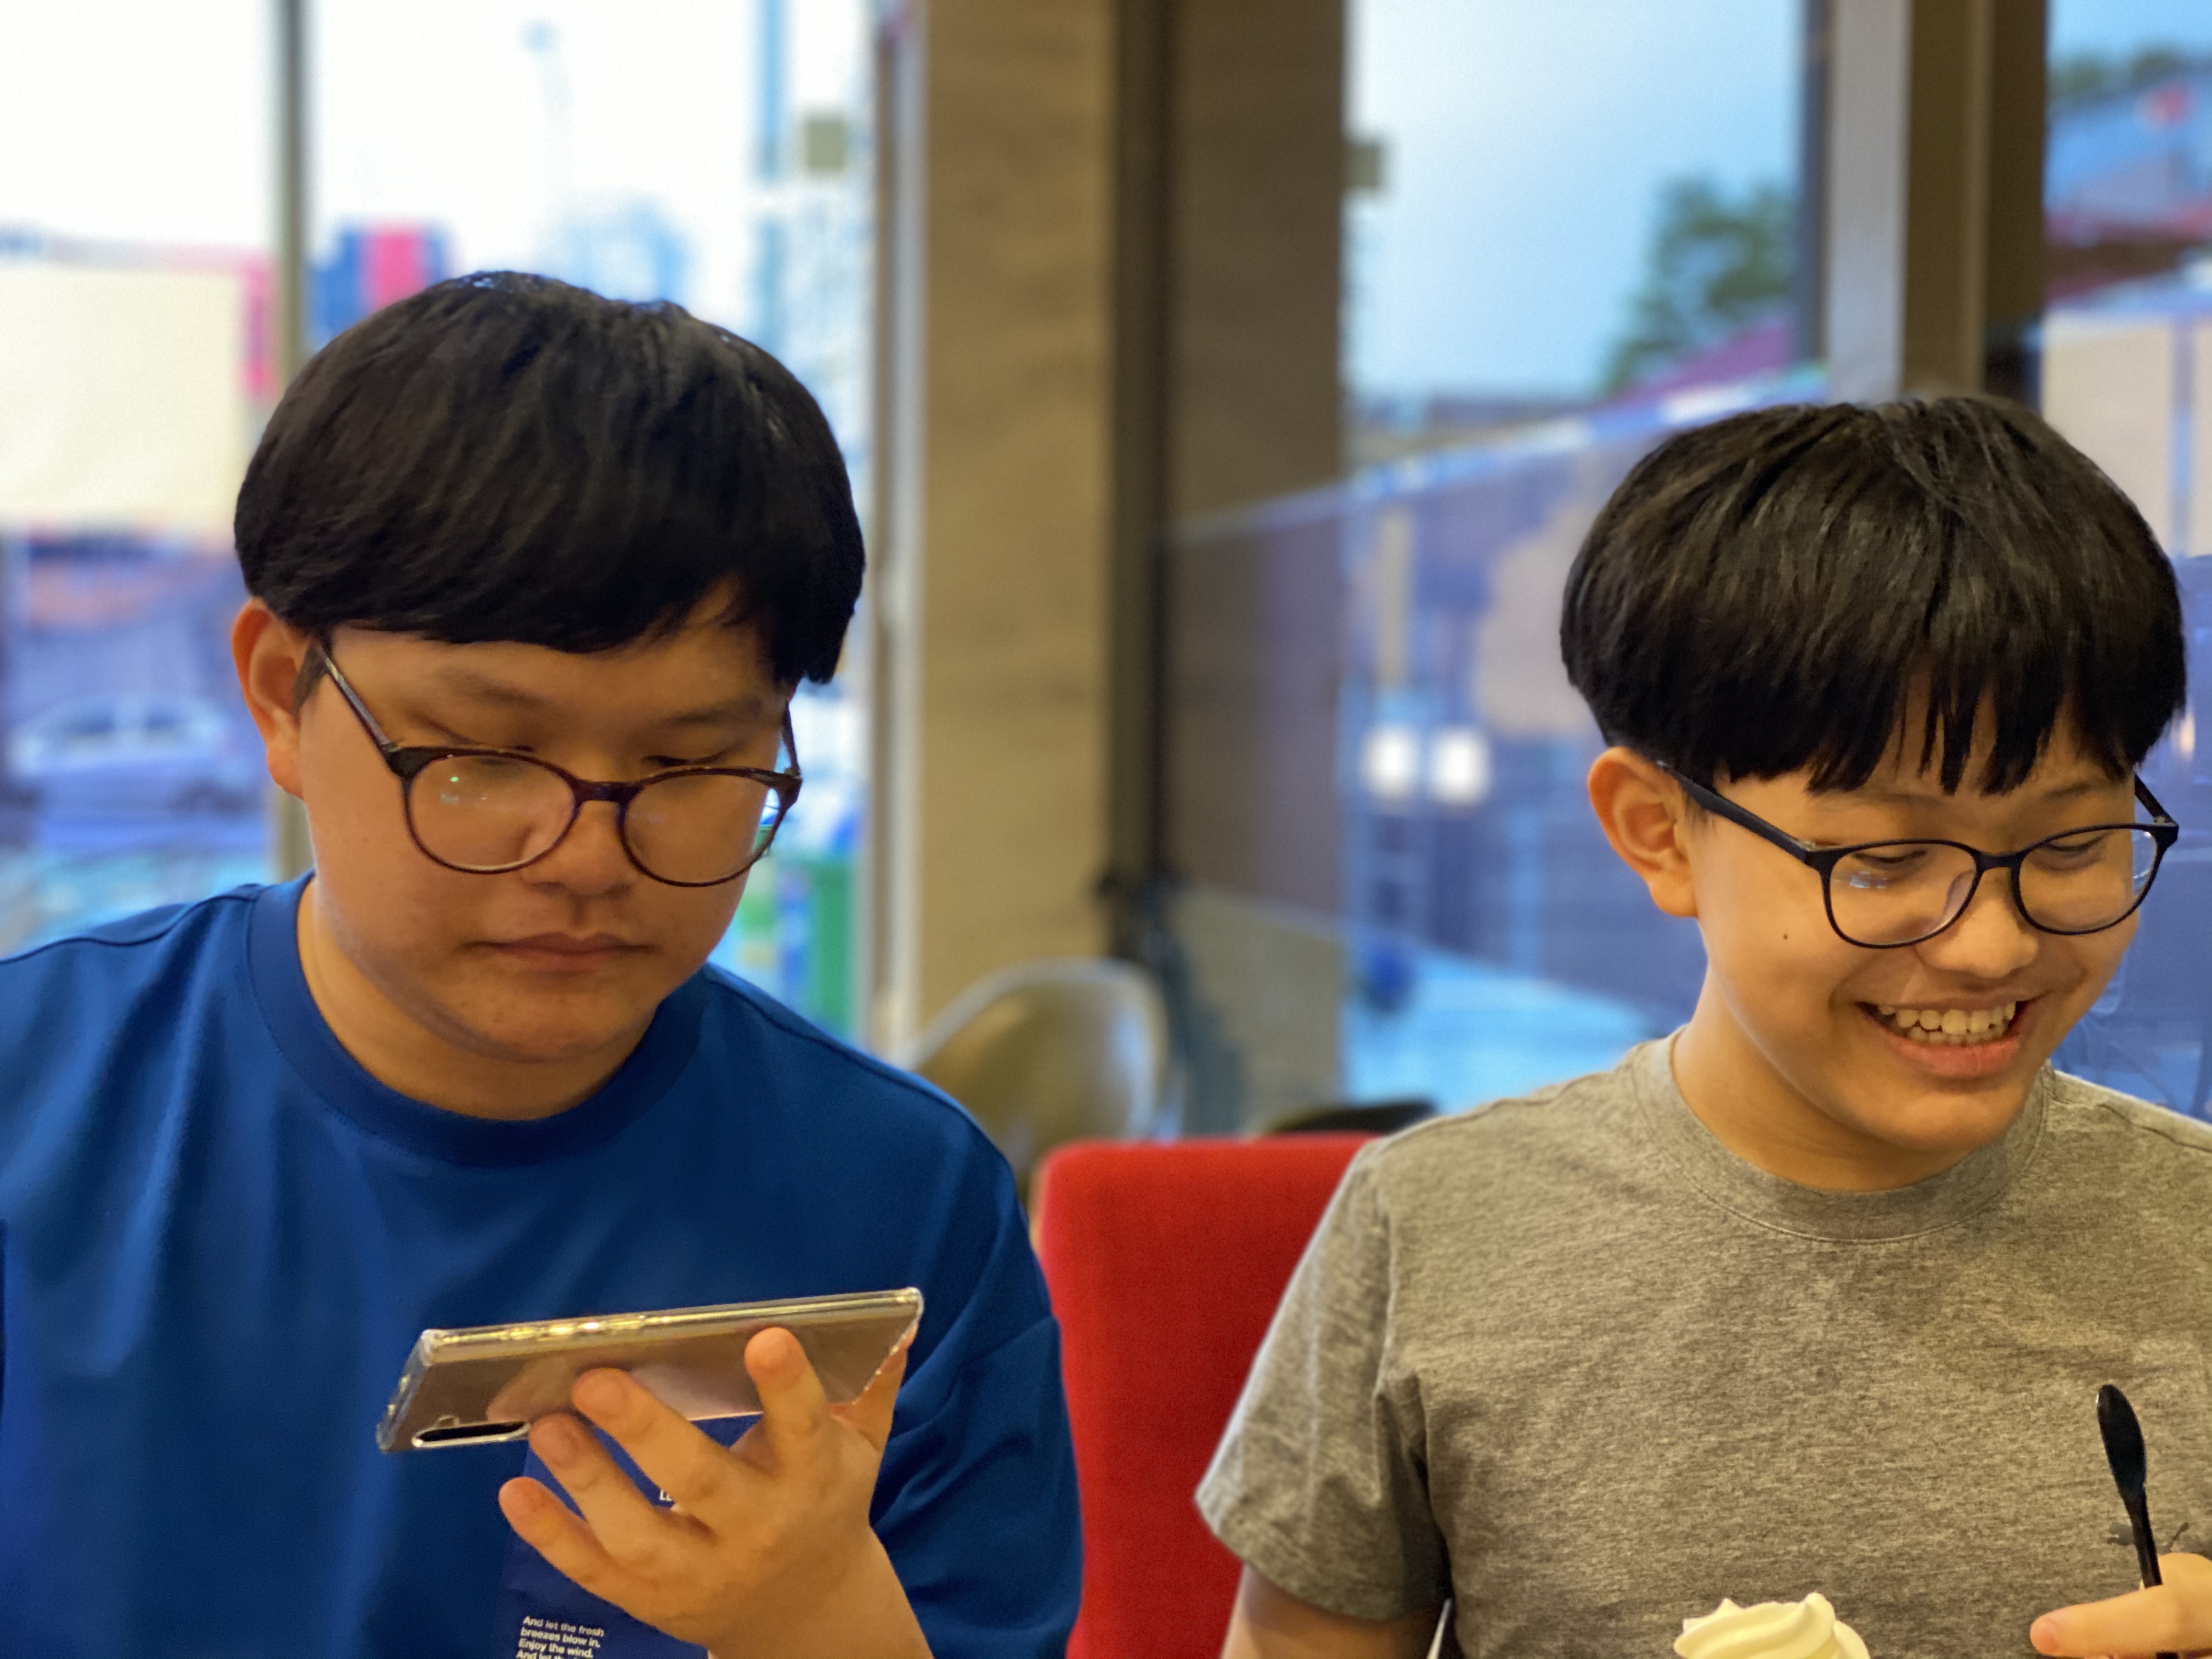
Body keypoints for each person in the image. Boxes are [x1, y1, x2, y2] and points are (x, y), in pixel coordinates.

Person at [0, 273, 1079, 1659]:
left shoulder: (903, 1207)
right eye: (483, 756)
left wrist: (818, 1622)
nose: (583, 855)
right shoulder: (36, 1110)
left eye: (691, 764)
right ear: (280, 694)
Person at [1198, 396, 2212, 1658]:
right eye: (1885, 859)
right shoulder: (1437, 1231)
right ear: (1659, 833)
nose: (1991, 946)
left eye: (2069, 844)